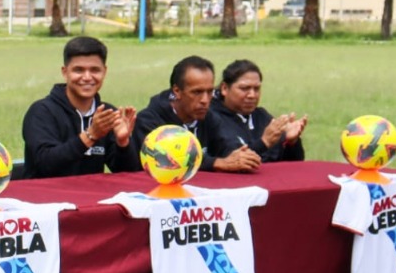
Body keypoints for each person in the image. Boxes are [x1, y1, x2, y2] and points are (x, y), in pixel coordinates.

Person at [21, 36, 139, 178]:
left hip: (92, 197)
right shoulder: (41, 112)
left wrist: (123, 143)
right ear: (65, 72)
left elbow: (128, 174)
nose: (87, 77)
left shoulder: (107, 115)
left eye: (95, 70)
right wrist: (90, 136)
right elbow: (44, 164)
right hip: (46, 198)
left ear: (104, 72)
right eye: (79, 70)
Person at [132, 55, 261, 173]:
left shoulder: (209, 117)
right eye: (197, 92)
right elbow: (170, 161)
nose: (205, 100)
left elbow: (228, 146)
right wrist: (216, 163)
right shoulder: (150, 121)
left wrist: (241, 155)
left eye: (209, 91)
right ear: (177, 91)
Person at [211, 59, 307, 162]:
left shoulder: (262, 116)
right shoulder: (211, 119)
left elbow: (292, 164)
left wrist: (291, 143)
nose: (252, 95)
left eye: (256, 89)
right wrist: (264, 143)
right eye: (244, 88)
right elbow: (233, 161)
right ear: (225, 88)